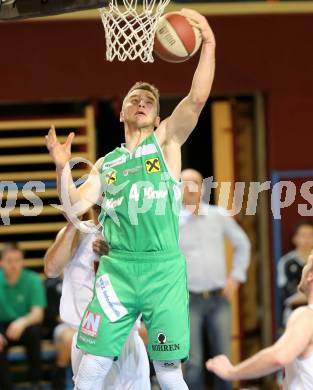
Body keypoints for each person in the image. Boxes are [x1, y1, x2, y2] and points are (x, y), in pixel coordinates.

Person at [46, 8, 215, 389]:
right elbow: (73, 207)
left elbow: (198, 96)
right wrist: (61, 168)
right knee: (90, 368)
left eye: (149, 102)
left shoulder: (167, 142)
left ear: (157, 118)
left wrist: (208, 45)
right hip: (118, 272)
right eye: (134, 99)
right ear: (122, 110)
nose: (141, 103)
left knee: (170, 373)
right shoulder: (108, 164)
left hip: (163, 270)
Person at [44, 210, 151, 390]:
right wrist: (73, 223)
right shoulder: (75, 233)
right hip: (86, 338)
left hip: (124, 336)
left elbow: (146, 281)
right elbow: (51, 269)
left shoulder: (133, 232)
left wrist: (115, 256)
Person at [179, 168, 251, 390]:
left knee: (224, 359)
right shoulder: (170, 220)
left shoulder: (218, 215)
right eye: (184, 182)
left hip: (219, 298)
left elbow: (243, 244)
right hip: (188, 299)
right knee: (193, 362)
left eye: (195, 182)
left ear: (202, 187)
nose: (190, 187)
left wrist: (236, 278)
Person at [206, 252, 313, 389]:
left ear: (311, 275)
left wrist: (231, 372)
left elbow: (279, 356)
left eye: (307, 264)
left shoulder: (306, 316)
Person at [0, 242, 47, 390]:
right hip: (1, 326)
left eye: (17, 260)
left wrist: (22, 322)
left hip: (24, 324)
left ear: (22, 262)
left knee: (34, 333)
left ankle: (36, 382)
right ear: (1, 262)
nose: (14, 265)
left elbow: (38, 314)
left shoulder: (33, 279)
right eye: (9, 261)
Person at [277, 220, 313, 324]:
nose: (307, 239)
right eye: (303, 235)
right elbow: (289, 296)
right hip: (295, 315)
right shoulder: (286, 262)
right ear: (295, 238)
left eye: (310, 235)